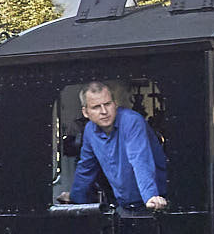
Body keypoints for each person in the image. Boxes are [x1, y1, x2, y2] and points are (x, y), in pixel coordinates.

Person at [63, 80, 169, 211]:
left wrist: (151, 197)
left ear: (115, 104)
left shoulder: (132, 121)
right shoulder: (90, 131)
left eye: (107, 104)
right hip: (125, 204)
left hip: (155, 203)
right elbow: (86, 168)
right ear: (85, 112)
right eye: (96, 107)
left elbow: (140, 160)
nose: (104, 111)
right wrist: (75, 199)